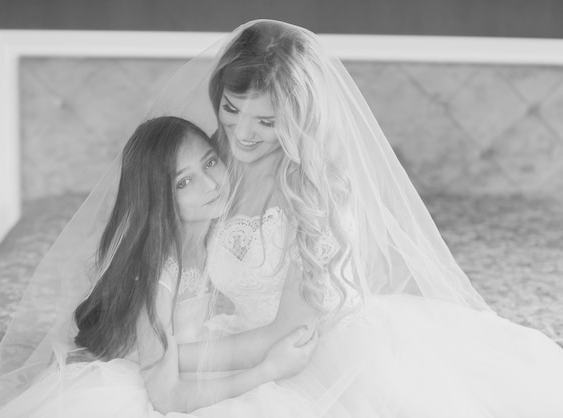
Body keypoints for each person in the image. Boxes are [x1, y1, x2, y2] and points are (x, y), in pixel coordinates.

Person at [176, 20, 563, 417]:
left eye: (266, 121)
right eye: (231, 108)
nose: (241, 132)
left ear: (298, 118)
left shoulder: (315, 198)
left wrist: (170, 357)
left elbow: (282, 335)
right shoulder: (214, 167)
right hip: (242, 340)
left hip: (316, 362)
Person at [0, 116, 318, 417]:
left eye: (210, 162)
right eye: (183, 181)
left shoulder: (212, 232)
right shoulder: (161, 271)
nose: (210, 184)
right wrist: (267, 370)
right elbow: (167, 399)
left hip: (180, 364)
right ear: (158, 196)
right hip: (152, 392)